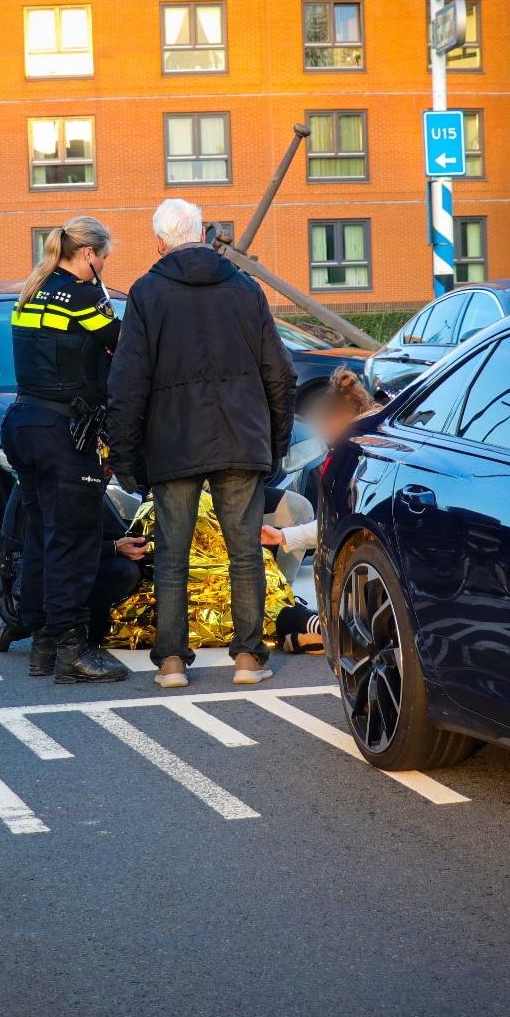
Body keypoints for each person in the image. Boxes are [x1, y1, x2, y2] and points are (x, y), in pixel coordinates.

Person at [108, 198, 295, 688]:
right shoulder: (246, 289)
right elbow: (280, 372)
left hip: (172, 442)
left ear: (160, 241)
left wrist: (125, 456)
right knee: (245, 553)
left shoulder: (146, 293)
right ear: (205, 232)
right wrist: (275, 443)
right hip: (240, 436)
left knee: (172, 553)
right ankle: (249, 659)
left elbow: (127, 382)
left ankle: (171, 661)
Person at [2, 216, 130, 684]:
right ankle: (72, 651)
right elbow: (121, 347)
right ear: (90, 255)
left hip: (23, 423)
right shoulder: (83, 296)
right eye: (105, 257)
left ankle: (42, 645)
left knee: (41, 535)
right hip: (63, 430)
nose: (105, 265)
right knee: (72, 542)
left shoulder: (30, 293)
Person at [260, 369, 379, 654]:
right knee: (297, 617)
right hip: (363, 575)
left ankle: (319, 636)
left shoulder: (357, 464)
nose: (323, 433)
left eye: (326, 424)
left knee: (289, 619)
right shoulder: (358, 456)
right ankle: (318, 635)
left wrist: (285, 536)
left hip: (364, 575)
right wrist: (284, 536)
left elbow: (336, 526)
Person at [0, 488, 147, 673]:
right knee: (122, 573)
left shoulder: (64, 472)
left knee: (123, 580)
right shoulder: (58, 477)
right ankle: (30, 622)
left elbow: (83, 534)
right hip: (28, 572)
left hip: (52, 562)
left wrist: (127, 539)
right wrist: (115, 547)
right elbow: (61, 545)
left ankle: (41, 626)